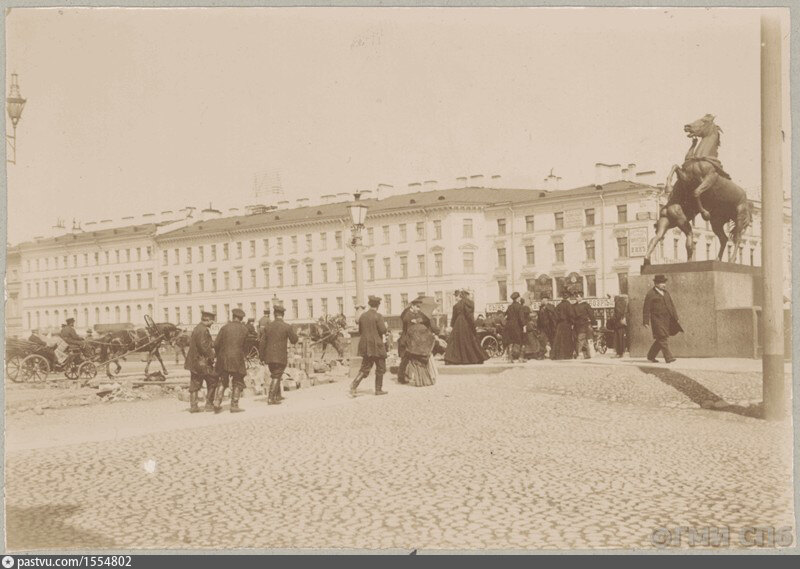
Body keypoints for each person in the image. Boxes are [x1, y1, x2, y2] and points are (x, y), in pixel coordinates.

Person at [259, 304, 298, 405]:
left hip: (269, 357)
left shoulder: (268, 326)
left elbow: (262, 343)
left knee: (276, 374)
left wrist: (261, 357)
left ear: (274, 314)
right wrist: (295, 333)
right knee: (277, 375)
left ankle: (277, 395)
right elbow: (294, 340)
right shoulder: (287, 326)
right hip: (280, 357)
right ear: (283, 314)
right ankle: (271, 398)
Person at [349, 295, 388, 397]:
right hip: (377, 346)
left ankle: (353, 385)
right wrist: (386, 327)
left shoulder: (362, 316)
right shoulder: (378, 316)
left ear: (369, 304)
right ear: (378, 305)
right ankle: (378, 389)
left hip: (366, 346)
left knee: (365, 368)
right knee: (381, 368)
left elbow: (360, 331)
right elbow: (383, 330)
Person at [213, 308, 249, 413]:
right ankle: (234, 405)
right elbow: (246, 347)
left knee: (223, 380)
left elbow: (216, 344)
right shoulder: (244, 329)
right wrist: (243, 355)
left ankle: (217, 402)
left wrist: (219, 355)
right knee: (238, 381)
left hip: (223, 358)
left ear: (232, 317)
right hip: (237, 359)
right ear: (241, 318)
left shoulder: (224, 328)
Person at [643, 274, 683, 363]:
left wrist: (676, 317)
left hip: (667, 320)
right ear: (656, 284)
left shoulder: (666, 293)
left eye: (664, 283)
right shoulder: (650, 294)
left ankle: (650, 356)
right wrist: (645, 321)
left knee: (660, 339)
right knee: (662, 337)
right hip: (657, 320)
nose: (664, 285)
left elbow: (671, 305)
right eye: (661, 283)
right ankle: (668, 358)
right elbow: (646, 308)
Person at [185, 311, 217, 413]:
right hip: (202, 362)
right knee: (213, 380)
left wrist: (213, 344)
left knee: (195, 382)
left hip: (194, 362)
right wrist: (212, 355)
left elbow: (204, 343)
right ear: (207, 319)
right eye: (212, 321)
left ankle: (194, 406)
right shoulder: (203, 330)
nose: (213, 323)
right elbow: (203, 346)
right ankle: (209, 405)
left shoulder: (197, 328)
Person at [443, 290, 487, 365]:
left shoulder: (456, 306)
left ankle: (454, 359)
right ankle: (473, 358)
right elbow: (469, 316)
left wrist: (452, 326)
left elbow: (453, 318)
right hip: (466, 323)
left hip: (457, 324)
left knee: (456, 342)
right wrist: (473, 325)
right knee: (469, 340)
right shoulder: (469, 303)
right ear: (466, 295)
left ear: (460, 296)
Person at [397, 297, 423, 384]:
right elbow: (407, 323)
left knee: (412, 359)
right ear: (412, 306)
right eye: (417, 307)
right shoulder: (407, 315)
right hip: (406, 340)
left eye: (419, 307)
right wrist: (413, 321)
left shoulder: (415, 314)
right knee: (405, 359)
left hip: (412, 340)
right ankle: (401, 377)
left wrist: (418, 320)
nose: (419, 309)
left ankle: (414, 376)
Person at [551, 292, 576, 360]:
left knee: (559, 340)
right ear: (568, 298)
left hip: (559, 325)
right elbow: (571, 315)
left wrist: (556, 323)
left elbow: (554, 316)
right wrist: (573, 323)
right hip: (567, 324)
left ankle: (558, 355)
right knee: (567, 339)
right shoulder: (568, 305)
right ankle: (567, 355)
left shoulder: (559, 305)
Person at [504, 292, 525, 362]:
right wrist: (524, 326)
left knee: (511, 342)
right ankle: (521, 358)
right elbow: (521, 318)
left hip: (509, 326)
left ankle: (510, 358)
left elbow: (506, 316)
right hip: (517, 326)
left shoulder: (509, 307)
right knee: (521, 341)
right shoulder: (520, 306)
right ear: (518, 298)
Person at [573, 292, 594, 359]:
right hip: (576, 325)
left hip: (584, 324)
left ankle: (579, 354)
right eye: (575, 296)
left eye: (578, 296)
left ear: (581, 297)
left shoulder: (586, 305)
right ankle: (587, 354)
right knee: (583, 340)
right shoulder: (573, 306)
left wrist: (594, 323)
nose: (576, 298)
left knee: (580, 338)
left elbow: (591, 314)